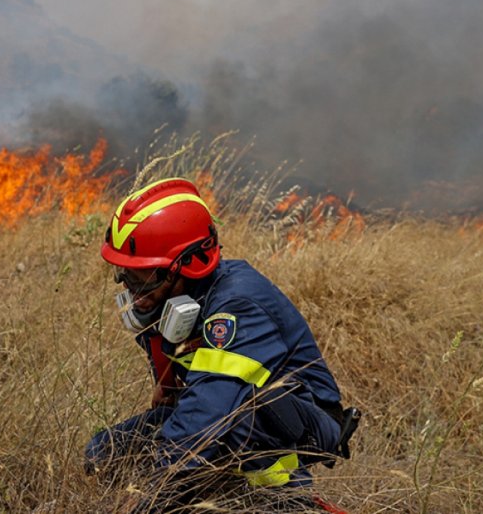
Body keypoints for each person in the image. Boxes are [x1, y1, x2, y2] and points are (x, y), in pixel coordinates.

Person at [84, 177, 358, 504]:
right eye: (125, 274)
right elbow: (181, 397)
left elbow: (206, 412)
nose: (130, 289)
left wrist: (154, 496)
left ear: (186, 265)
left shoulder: (237, 305)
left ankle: (286, 502)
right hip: (231, 406)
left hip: (300, 420)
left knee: (237, 419)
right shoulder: (172, 303)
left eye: (142, 276)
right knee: (104, 452)